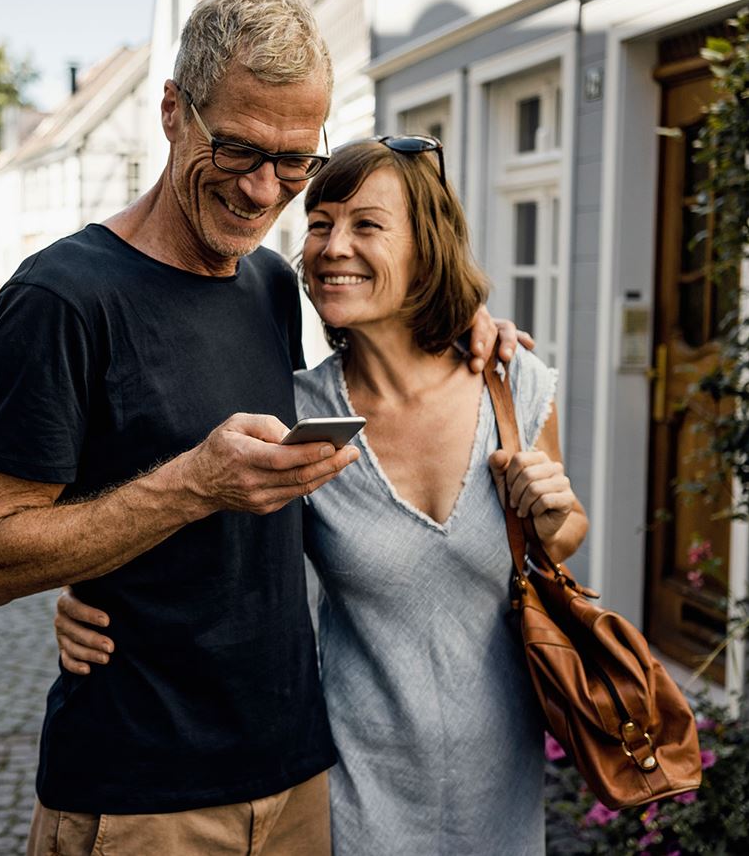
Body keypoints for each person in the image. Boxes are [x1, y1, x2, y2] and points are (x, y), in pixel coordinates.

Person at [0, 0, 522, 855]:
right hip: (141, 795)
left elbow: (388, 321)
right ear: (173, 112)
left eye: (296, 162)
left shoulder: (265, 283)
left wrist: (471, 330)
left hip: (295, 776)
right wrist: (189, 486)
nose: (266, 191)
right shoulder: (60, 297)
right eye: (238, 149)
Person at [56, 138, 587, 854]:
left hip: (502, 781)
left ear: (427, 246)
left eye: (367, 225)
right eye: (319, 224)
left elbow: (561, 540)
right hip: (348, 784)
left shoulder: (512, 384)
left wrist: (558, 516)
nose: (334, 246)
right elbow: (211, 550)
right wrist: (86, 598)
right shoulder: (297, 418)